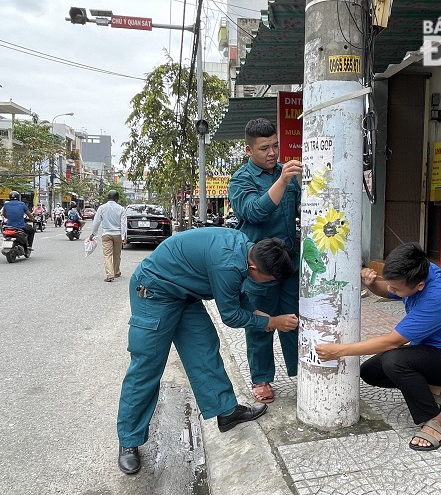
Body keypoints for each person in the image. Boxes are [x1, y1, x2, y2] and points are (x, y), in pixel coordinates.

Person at [116, 228, 298, 474]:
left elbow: (236, 291)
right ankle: (129, 439)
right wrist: (271, 322)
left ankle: (226, 411)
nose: (271, 284)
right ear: (255, 268)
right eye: (270, 279)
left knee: (204, 349)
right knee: (147, 365)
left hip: (185, 294)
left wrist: (255, 312)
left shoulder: (247, 249)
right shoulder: (227, 263)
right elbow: (231, 315)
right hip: (155, 291)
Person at [316, 243, 441, 452]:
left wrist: (338, 350)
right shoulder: (421, 269)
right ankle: (438, 389)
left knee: (394, 362)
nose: (391, 290)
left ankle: (435, 420)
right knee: (371, 373)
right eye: (390, 284)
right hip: (432, 352)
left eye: (396, 288)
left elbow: (392, 342)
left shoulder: (437, 300)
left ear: (419, 286)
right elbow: (390, 290)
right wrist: (371, 284)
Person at [228, 117, 302, 404]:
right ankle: (261, 379)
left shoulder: (288, 172)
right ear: (249, 150)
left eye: (275, 146)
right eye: (264, 149)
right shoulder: (241, 179)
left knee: (293, 319)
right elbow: (253, 213)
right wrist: (283, 182)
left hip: (290, 264)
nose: (272, 153)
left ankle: (300, 372)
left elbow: (301, 209)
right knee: (261, 322)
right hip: (259, 268)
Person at [90, 190, 127, 282]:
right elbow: (123, 224)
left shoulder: (102, 208)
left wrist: (93, 233)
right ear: (116, 198)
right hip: (118, 234)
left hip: (106, 234)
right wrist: (124, 237)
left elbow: (96, 222)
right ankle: (116, 272)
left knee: (107, 255)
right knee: (117, 254)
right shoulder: (121, 208)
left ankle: (110, 275)